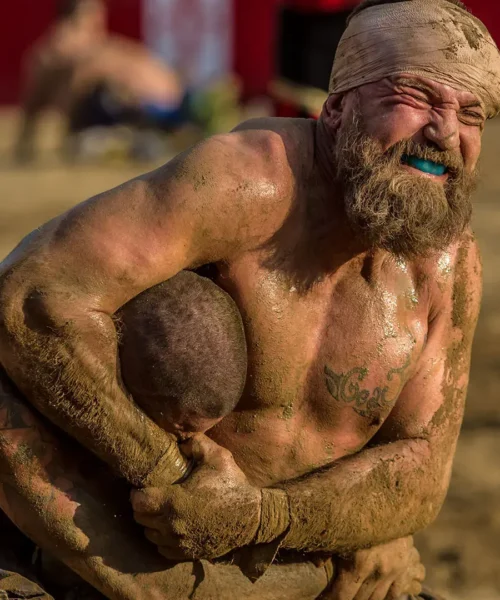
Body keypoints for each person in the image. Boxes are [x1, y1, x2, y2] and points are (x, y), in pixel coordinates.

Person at [0, 0, 497, 597]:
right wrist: (168, 473)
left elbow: (421, 465)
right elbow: (32, 298)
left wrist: (265, 518)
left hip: (279, 559)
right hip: (112, 524)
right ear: (336, 109)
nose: (445, 132)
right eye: (415, 97)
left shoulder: (450, 265)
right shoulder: (250, 181)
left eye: (472, 113)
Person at [14, 0, 189, 163]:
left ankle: (129, 138)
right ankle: (134, 138)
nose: (100, 19)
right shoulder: (68, 52)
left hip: (156, 106)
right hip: (159, 107)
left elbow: (40, 102)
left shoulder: (93, 52)